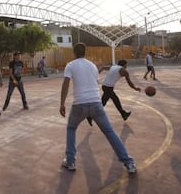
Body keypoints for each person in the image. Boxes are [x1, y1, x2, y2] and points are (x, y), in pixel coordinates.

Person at [59, 43, 137, 174]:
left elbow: (66, 84)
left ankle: (70, 161)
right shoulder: (93, 66)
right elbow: (93, 82)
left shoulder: (70, 65)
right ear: (85, 52)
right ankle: (128, 163)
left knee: (71, 128)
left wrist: (62, 104)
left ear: (74, 52)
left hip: (80, 104)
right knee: (110, 132)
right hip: (96, 103)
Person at [88, 60, 141, 126]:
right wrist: (135, 88)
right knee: (103, 103)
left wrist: (97, 73)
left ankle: (123, 114)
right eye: (126, 65)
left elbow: (103, 67)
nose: (126, 66)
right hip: (108, 88)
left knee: (115, 99)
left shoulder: (113, 67)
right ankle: (90, 115)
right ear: (124, 65)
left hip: (105, 86)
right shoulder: (123, 71)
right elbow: (129, 83)